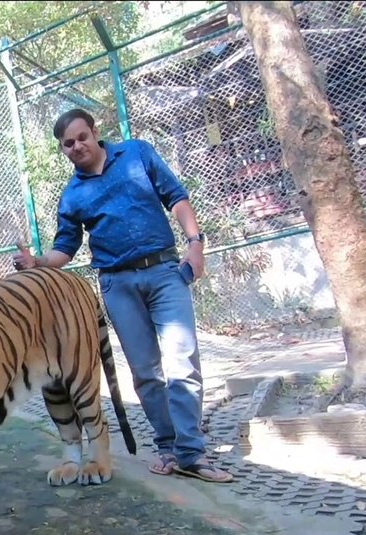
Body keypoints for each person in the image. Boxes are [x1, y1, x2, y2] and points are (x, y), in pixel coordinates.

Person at [13, 108, 232, 483]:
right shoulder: (73, 195)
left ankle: (191, 453)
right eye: (68, 144)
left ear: (95, 132)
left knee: (182, 361)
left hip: (164, 271)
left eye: (82, 137)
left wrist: (195, 244)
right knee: (145, 372)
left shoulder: (136, 153)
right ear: (62, 149)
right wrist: (37, 263)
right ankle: (168, 447)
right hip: (117, 283)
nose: (77, 146)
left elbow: (176, 197)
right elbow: (65, 248)